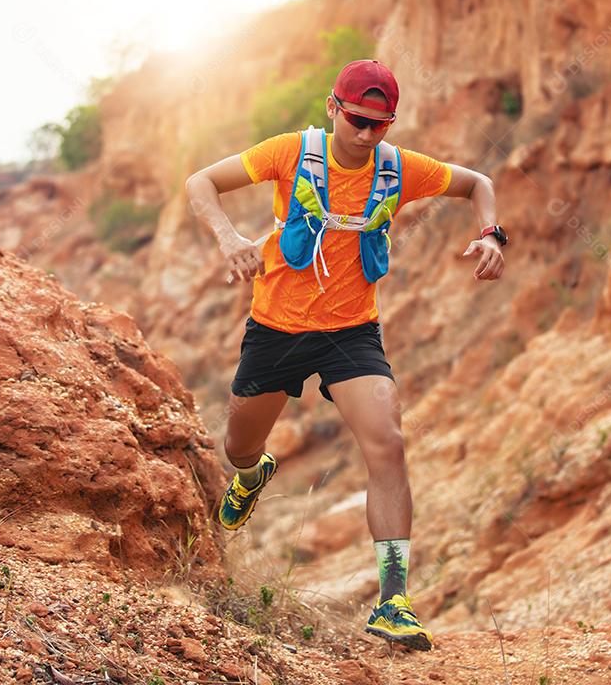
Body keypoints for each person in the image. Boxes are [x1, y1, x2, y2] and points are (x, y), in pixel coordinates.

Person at [185, 59, 506, 651]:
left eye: (380, 124)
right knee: (238, 446)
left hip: (352, 332)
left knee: (389, 442)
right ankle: (254, 475)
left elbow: (477, 183)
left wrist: (491, 234)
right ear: (333, 108)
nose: (367, 133)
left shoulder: (399, 167)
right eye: (357, 119)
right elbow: (200, 182)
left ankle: (394, 600)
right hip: (277, 327)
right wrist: (229, 238)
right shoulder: (290, 152)